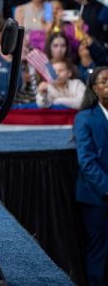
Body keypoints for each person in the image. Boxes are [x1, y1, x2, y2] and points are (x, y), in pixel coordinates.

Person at [74, 67, 108, 286]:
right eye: (105, 81)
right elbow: (87, 163)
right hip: (98, 198)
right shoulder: (85, 118)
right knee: (100, 254)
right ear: (95, 89)